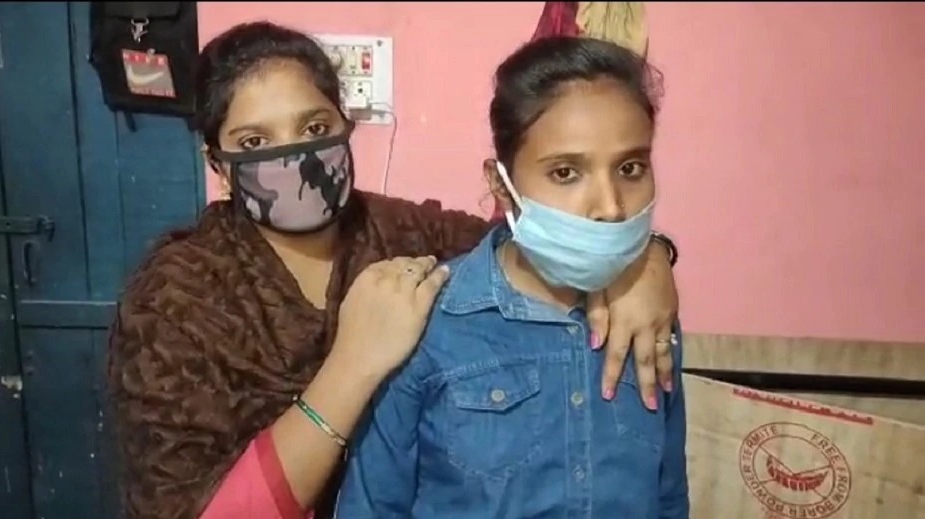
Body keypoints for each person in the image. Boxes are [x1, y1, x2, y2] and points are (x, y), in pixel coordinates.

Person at [106, 22, 681, 519]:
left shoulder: (404, 234)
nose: (295, 158)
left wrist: (646, 261)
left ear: (345, 124)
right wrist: (352, 365)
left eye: (314, 128)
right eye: (255, 140)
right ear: (218, 164)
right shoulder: (177, 298)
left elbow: (532, 236)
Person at [336, 36, 689, 518]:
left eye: (630, 168)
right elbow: (372, 506)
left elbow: (669, 498)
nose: (610, 207)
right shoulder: (429, 324)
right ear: (500, 184)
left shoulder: (649, 316)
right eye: (566, 173)